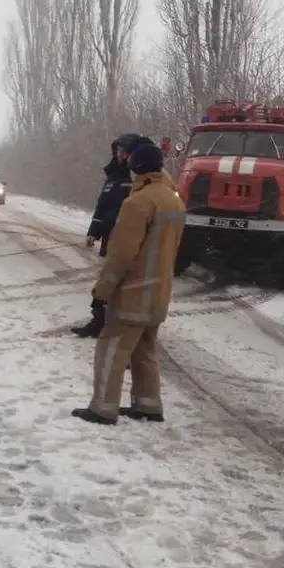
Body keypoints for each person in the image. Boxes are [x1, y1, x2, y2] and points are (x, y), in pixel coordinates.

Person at [72, 137, 186, 426]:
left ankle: (102, 408)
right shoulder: (174, 200)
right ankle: (148, 406)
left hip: (134, 294)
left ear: (137, 169)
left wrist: (102, 291)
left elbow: (120, 256)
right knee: (144, 349)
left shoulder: (137, 203)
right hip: (159, 293)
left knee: (111, 347)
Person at [70, 134, 139, 338]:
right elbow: (103, 206)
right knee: (105, 280)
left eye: (121, 151)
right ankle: (99, 320)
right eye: (116, 151)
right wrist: (93, 232)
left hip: (127, 242)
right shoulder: (113, 177)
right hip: (110, 239)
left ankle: (122, 330)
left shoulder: (135, 178)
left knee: (122, 285)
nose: (117, 154)